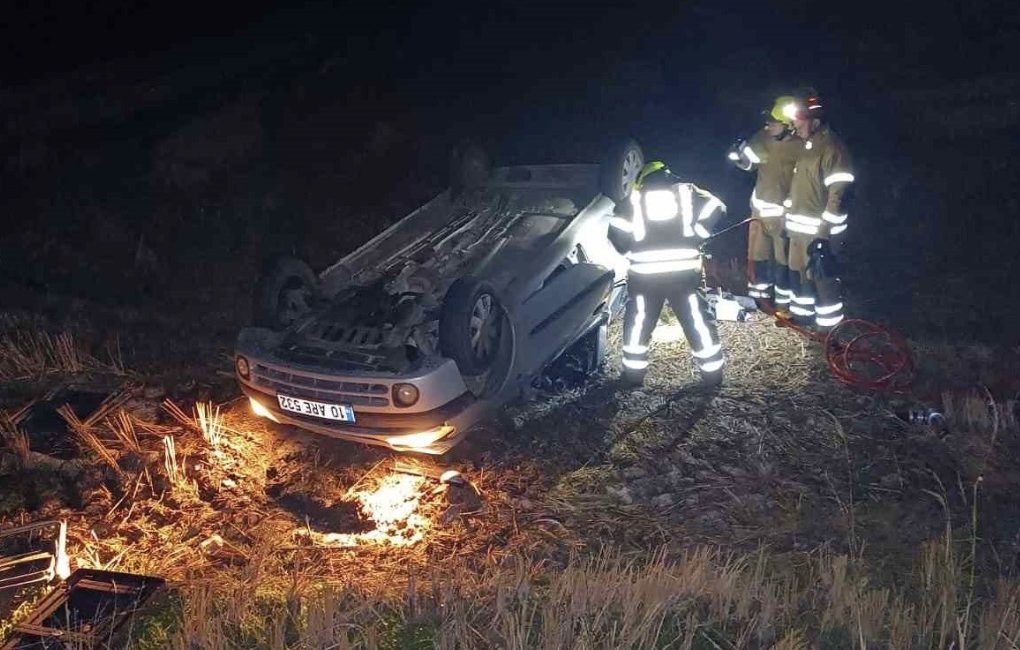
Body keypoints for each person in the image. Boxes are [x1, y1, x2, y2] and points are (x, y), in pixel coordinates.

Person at [608, 162, 726, 387]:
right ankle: (712, 375)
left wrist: (629, 248)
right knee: (696, 320)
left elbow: (616, 232)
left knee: (639, 323)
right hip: (683, 274)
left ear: (642, 179)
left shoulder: (632, 200)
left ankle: (633, 376)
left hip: (645, 276)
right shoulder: (687, 191)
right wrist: (699, 232)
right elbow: (716, 205)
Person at [784, 92, 855, 330]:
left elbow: (838, 196)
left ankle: (830, 330)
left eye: (798, 120)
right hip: (799, 231)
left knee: (823, 281)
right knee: (801, 276)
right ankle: (803, 319)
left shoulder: (832, 148)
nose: (794, 125)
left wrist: (824, 234)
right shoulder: (808, 145)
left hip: (819, 233)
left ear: (814, 120)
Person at [727, 96, 803, 309]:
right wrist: (739, 155)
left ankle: (783, 304)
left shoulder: (802, 147)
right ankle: (759, 301)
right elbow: (750, 164)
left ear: (788, 126)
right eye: (767, 122)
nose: (767, 126)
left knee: (783, 261)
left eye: (773, 123)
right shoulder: (762, 137)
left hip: (782, 216)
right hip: (759, 212)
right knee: (757, 258)